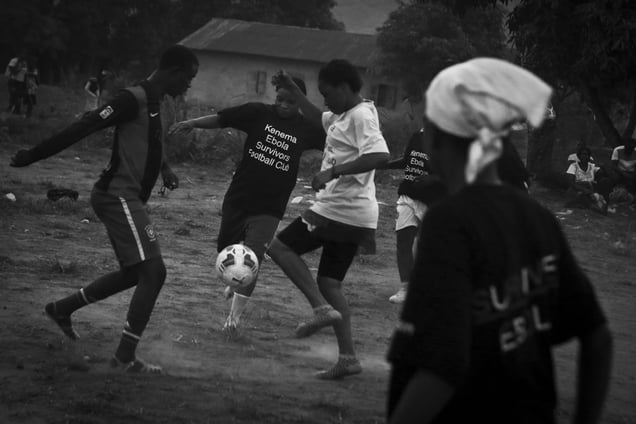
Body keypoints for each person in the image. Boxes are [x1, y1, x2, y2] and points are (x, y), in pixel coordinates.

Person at [386, 58, 613, 424]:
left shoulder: (449, 223)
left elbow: (442, 366)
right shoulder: (537, 218)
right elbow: (598, 337)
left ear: (440, 139)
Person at [10, 45, 199, 374]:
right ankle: (124, 358)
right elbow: (84, 126)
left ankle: (62, 309)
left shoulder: (160, 102)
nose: (189, 85)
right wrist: (34, 155)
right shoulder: (133, 98)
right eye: (189, 78)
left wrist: (165, 168)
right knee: (155, 272)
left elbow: (153, 140)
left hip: (130, 199)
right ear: (174, 70)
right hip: (117, 196)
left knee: (134, 273)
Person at [168, 76, 326, 336]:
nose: (284, 105)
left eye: (291, 101)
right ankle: (235, 278)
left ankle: (233, 321)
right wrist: (191, 123)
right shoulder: (257, 113)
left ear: (300, 101)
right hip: (239, 197)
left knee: (252, 260)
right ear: (274, 97)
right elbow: (222, 119)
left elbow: (335, 140)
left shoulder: (307, 127)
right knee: (225, 249)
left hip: (270, 204)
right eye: (280, 100)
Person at [267, 60, 390, 380]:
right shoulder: (342, 115)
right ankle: (348, 358)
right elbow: (314, 115)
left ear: (345, 87)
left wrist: (334, 171)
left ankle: (319, 309)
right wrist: (294, 88)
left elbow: (381, 156)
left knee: (279, 248)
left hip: (339, 210)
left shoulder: (361, 116)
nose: (324, 100)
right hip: (355, 215)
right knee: (329, 283)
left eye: (327, 93)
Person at [377, 129, 445, 304]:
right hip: (409, 194)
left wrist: (433, 179)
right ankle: (405, 289)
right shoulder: (417, 135)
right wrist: (385, 165)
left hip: (434, 199)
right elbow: (409, 161)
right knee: (403, 239)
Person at [565, 146, 607, 213]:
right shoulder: (574, 166)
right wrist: (584, 190)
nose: (584, 156)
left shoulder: (592, 166)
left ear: (589, 156)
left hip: (590, 189)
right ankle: (591, 206)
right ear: (579, 156)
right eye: (582, 154)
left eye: (586, 154)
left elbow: (603, 172)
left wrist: (601, 166)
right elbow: (571, 182)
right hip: (577, 189)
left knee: (598, 195)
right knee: (583, 195)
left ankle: (595, 205)